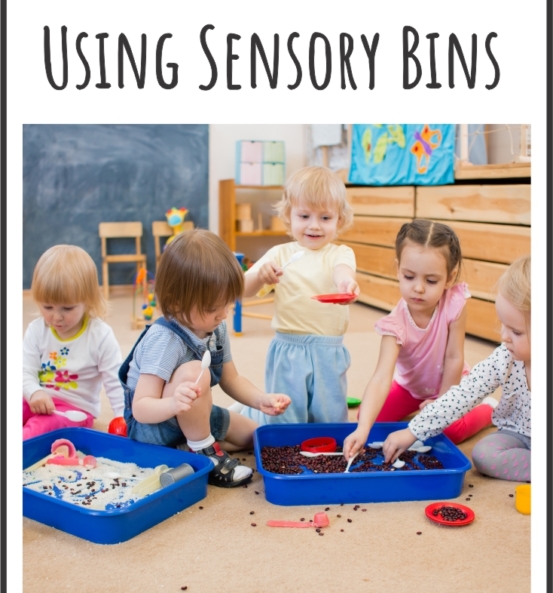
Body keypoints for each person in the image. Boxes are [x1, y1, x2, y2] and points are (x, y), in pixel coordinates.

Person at [121, 229, 289, 489]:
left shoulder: (215, 326)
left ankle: (189, 446)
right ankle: (204, 454)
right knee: (191, 371)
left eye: (228, 303)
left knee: (254, 436)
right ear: (176, 303)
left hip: (191, 416)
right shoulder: (164, 340)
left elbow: (231, 378)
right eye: (213, 308)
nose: (223, 314)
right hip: (154, 425)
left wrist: (260, 399)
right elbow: (141, 408)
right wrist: (173, 403)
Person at [344, 219, 493, 463]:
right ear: (398, 269)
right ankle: (420, 408)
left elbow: (455, 357)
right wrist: (362, 430)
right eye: (409, 276)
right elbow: (381, 377)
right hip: (410, 388)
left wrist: (442, 404)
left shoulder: (455, 304)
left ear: (450, 277)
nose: (419, 288)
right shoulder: (394, 325)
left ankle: (487, 410)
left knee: (449, 430)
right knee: (367, 418)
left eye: (431, 281)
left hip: (450, 384)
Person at [379, 256, 531, 478]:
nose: (504, 337)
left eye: (516, 332)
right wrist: (413, 431)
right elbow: (462, 394)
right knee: (483, 455)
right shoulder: (504, 358)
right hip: (517, 434)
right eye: (503, 326)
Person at [243, 166, 360, 424]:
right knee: (285, 414)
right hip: (288, 349)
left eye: (325, 218)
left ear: (339, 219)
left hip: (328, 351)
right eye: (304, 215)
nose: (314, 226)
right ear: (289, 215)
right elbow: (242, 290)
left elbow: (343, 272)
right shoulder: (279, 254)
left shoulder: (340, 253)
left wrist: (347, 283)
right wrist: (260, 275)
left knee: (330, 418)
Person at [23, 245, 125, 434]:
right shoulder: (36, 330)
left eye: (67, 308)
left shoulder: (100, 335)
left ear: (88, 300)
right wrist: (34, 392)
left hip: (74, 410)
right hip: (36, 398)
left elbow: (115, 380)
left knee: (36, 430)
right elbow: (25, 371)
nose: (56, 317)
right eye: (47, 307)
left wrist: (121, 416)